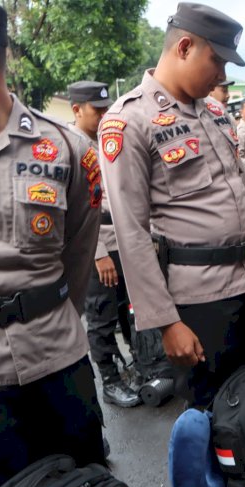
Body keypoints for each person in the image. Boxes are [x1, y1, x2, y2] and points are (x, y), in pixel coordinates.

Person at [98, 3, 245, 410]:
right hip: (200, 301)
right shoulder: (130, 121)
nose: (222, 75)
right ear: (184, 47)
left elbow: (243, 194)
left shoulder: (216, 112)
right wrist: (166, 323)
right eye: (216, 61)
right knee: (213, 413)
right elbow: (131, 233)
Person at [0, 1, 105, 487]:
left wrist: (50, 316)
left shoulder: (68, 149)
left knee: (85, 485)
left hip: (59, 366)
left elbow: (79, 253)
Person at [67, 81, 142, 408]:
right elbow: (76, 208)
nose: (102, 115)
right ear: (76, 110)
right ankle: (110, 381)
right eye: (96, 110)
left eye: (104, 108)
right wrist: (98, 255)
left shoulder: (102, 140)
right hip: (97, 246)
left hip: (122, 240)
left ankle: (136, 366)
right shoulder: (69, 145)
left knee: (127, 308)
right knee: (100, 316)